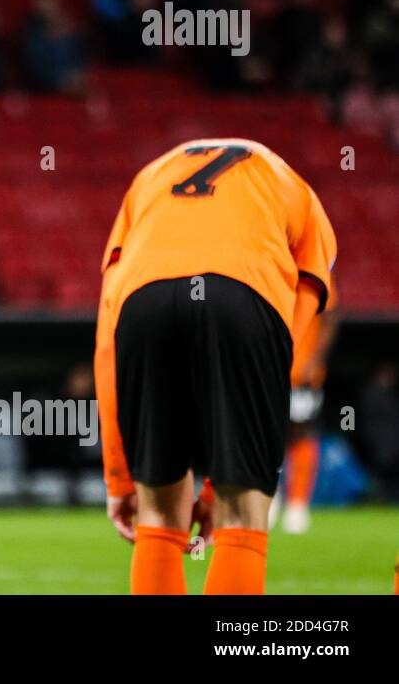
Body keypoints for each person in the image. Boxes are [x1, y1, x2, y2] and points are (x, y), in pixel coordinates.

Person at [95, 139, 337, 594]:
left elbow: (108, 337)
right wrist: (222, 478)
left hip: (142, 301)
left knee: (159, 513)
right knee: (242, 513)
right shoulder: (292, 182)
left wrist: (119, 476)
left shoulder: (147, 178)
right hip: (245, 293)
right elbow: (299, 315)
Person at [270, 274, 338, 534]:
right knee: (268, 435)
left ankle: (298, 504)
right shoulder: (272, 266)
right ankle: (271, 497)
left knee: (302, 432)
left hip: (302, 373)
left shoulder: (316, 270)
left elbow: (331, 318)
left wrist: (316, 361)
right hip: (270, 370)